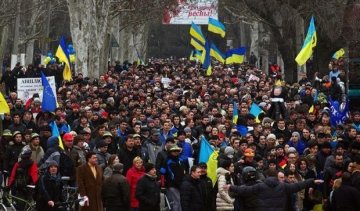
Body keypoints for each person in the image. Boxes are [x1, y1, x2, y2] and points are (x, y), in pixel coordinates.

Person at [225, 169, 324, 211]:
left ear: (266, 176)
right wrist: (312, 181)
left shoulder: (260, 186)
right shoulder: (283, 186)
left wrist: (231, 187)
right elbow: (298, 185)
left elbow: (245, 190)